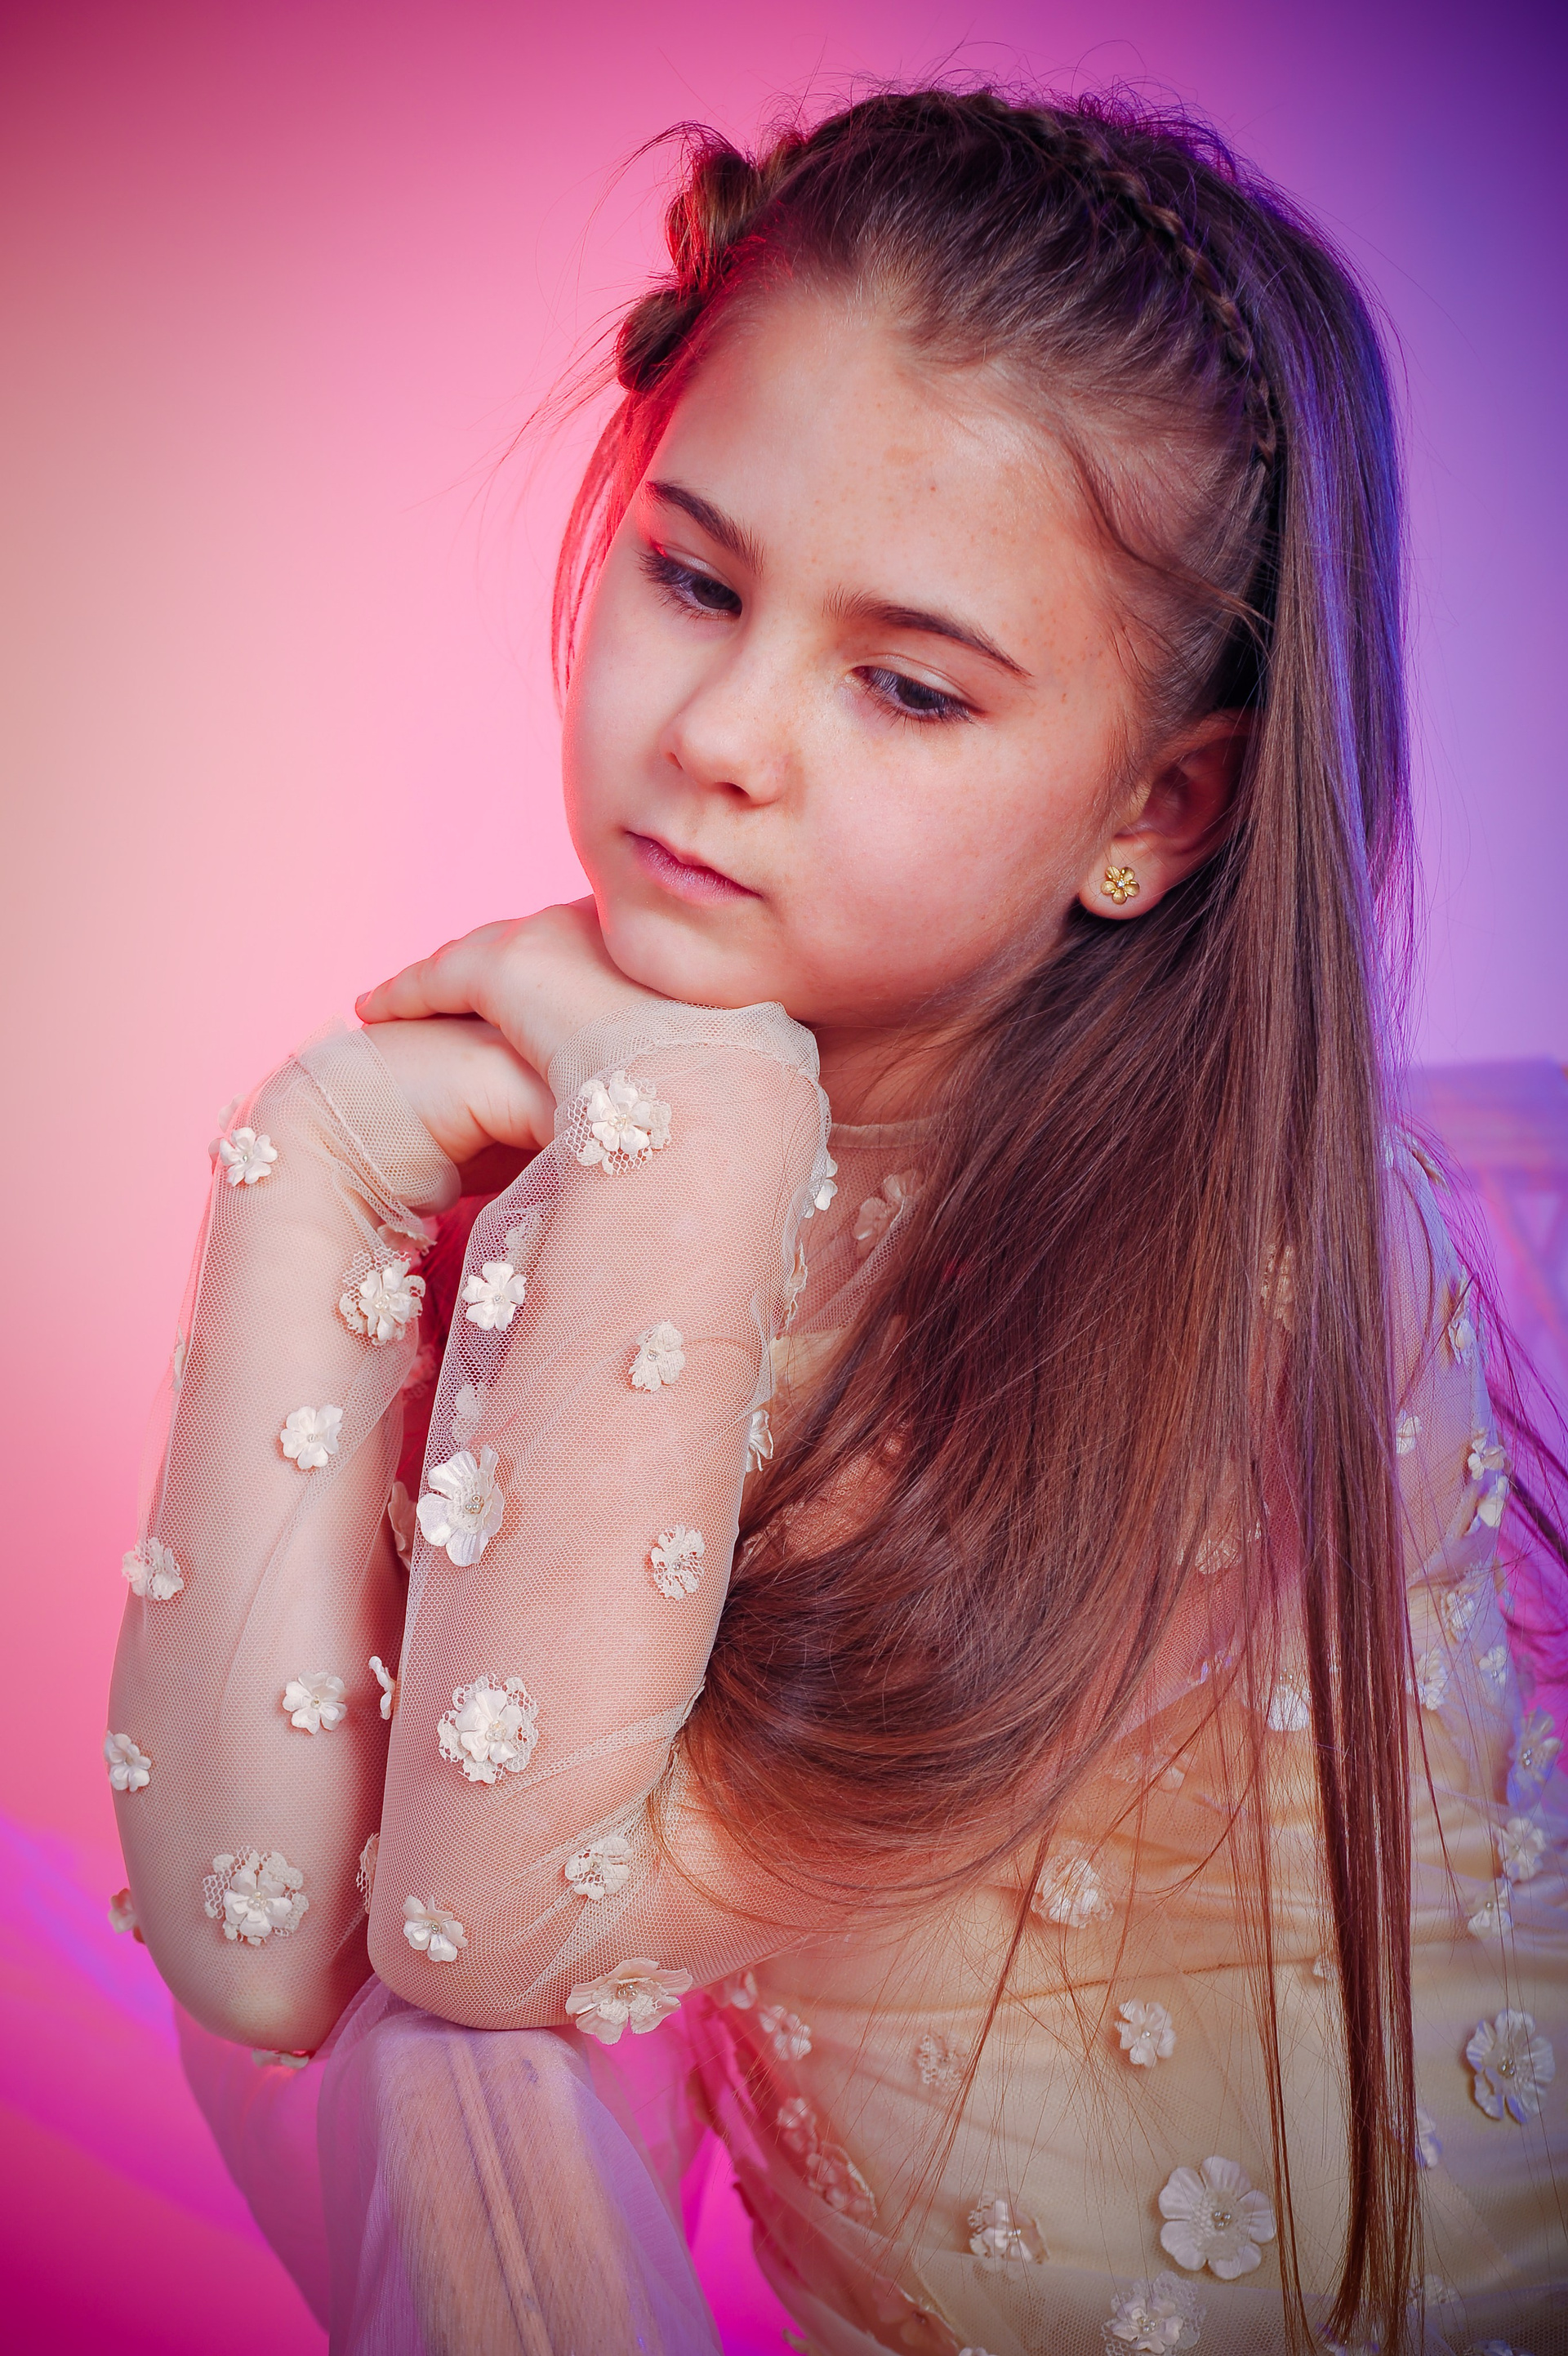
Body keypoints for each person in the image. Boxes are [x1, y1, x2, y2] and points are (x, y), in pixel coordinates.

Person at [107, 87, 1566, 2355]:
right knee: (421, 2079)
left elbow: (491, 1935)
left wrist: (686, 1118)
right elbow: (251, 1952)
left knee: (457, 2033)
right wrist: (312, 1169)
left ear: (1160, 810)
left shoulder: (1250, 1277)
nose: (723, 735)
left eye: (906, 686)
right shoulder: (592, 1163)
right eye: (696, 579)